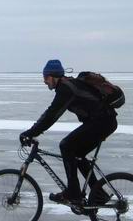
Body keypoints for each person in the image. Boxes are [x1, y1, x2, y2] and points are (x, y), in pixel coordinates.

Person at [19, 59, 118, 207]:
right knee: (77, 155)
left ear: (53, 76)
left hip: (102, 122)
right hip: (104, 122)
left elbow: (51, 115)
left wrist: (31, 132)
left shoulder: (66, 88)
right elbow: (50, 113)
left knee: (66, 146)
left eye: (46, 77)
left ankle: (73, 193)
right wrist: (33, 131)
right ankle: (99, 194)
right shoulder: (67, 86)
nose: (44, 81)